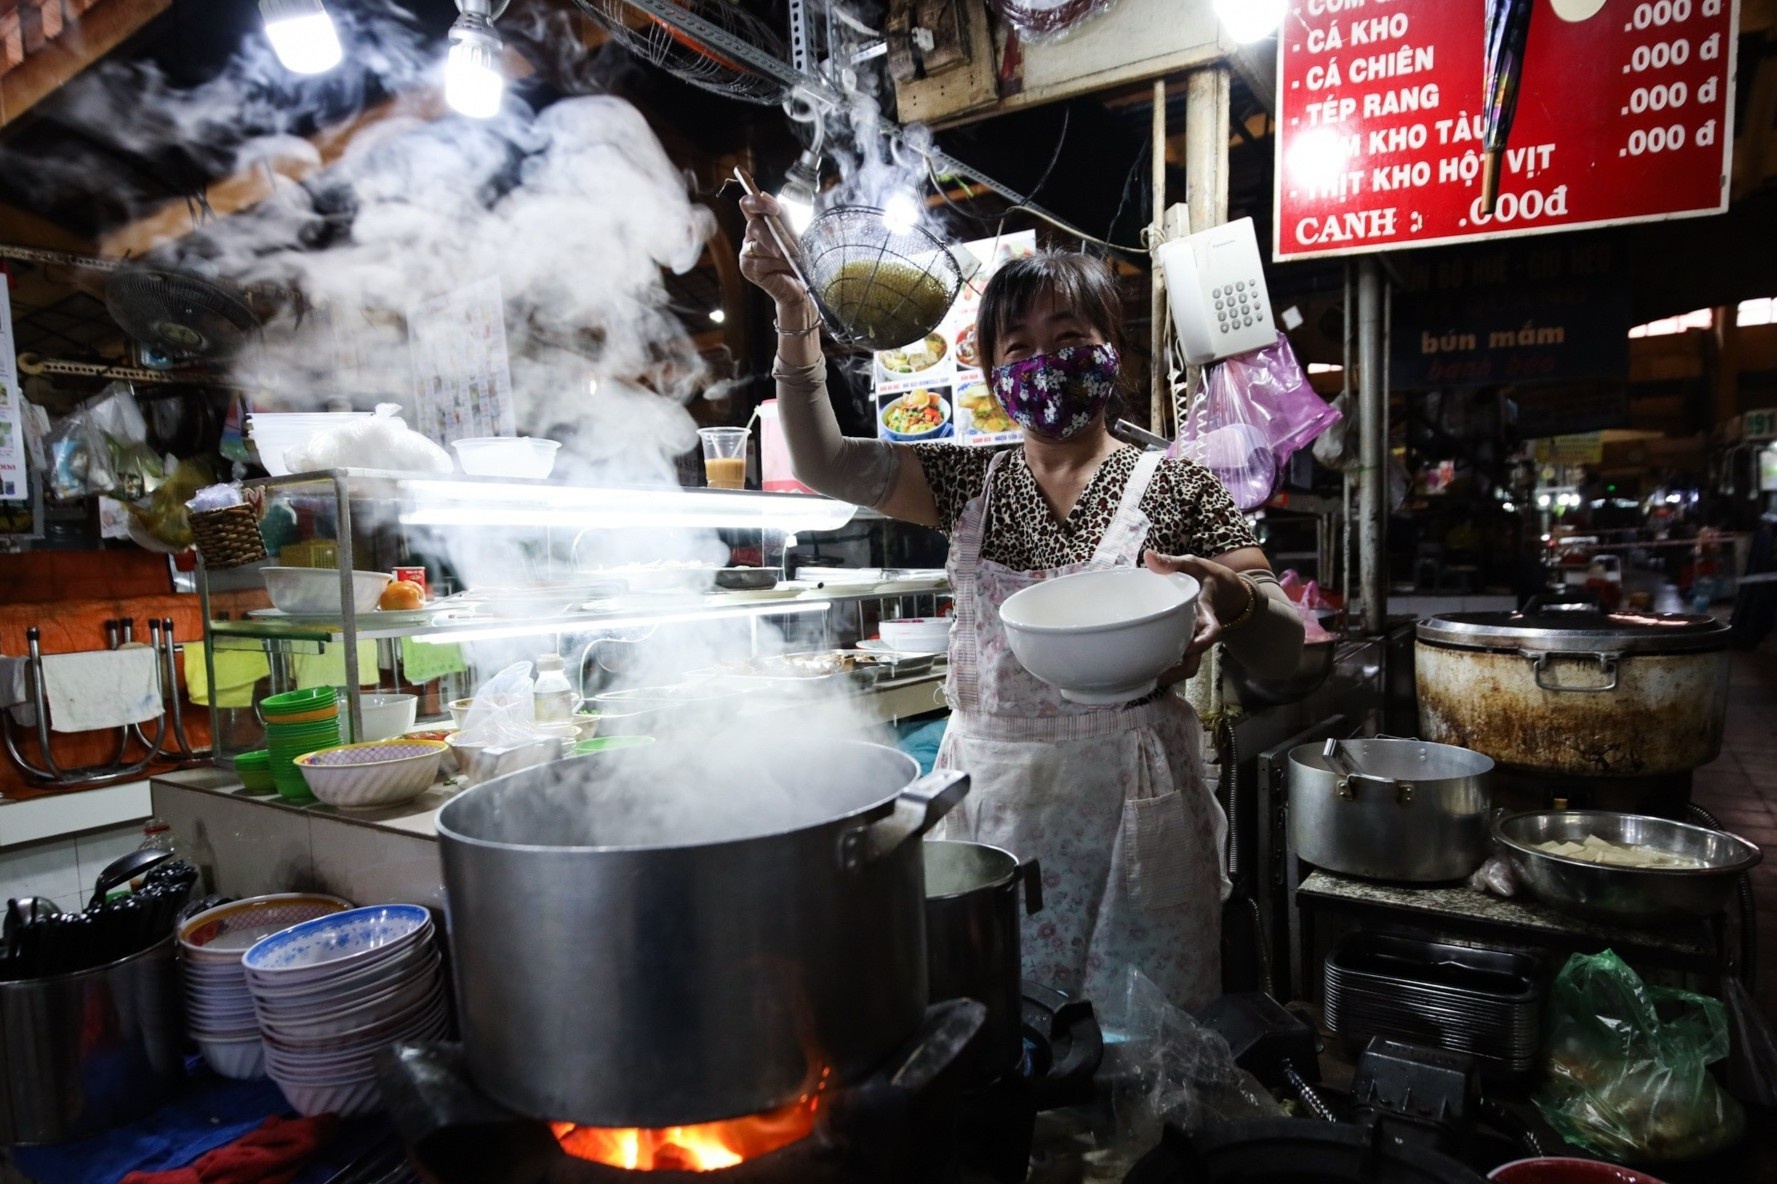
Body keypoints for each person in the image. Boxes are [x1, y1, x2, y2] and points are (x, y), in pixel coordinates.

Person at [738, 196, 1304, 1007]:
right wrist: (795, 316)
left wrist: (1239, 603)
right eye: (1020, 346)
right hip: (998, 811)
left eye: (1070, 339)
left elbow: (1287, 654)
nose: (1047, 361)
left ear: (1113, 352)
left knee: (1142, 1035)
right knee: (1008, 1018)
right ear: (995, 375)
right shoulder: (964, 477)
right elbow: (825, 462)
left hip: (1135, 807)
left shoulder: (1176, 482)